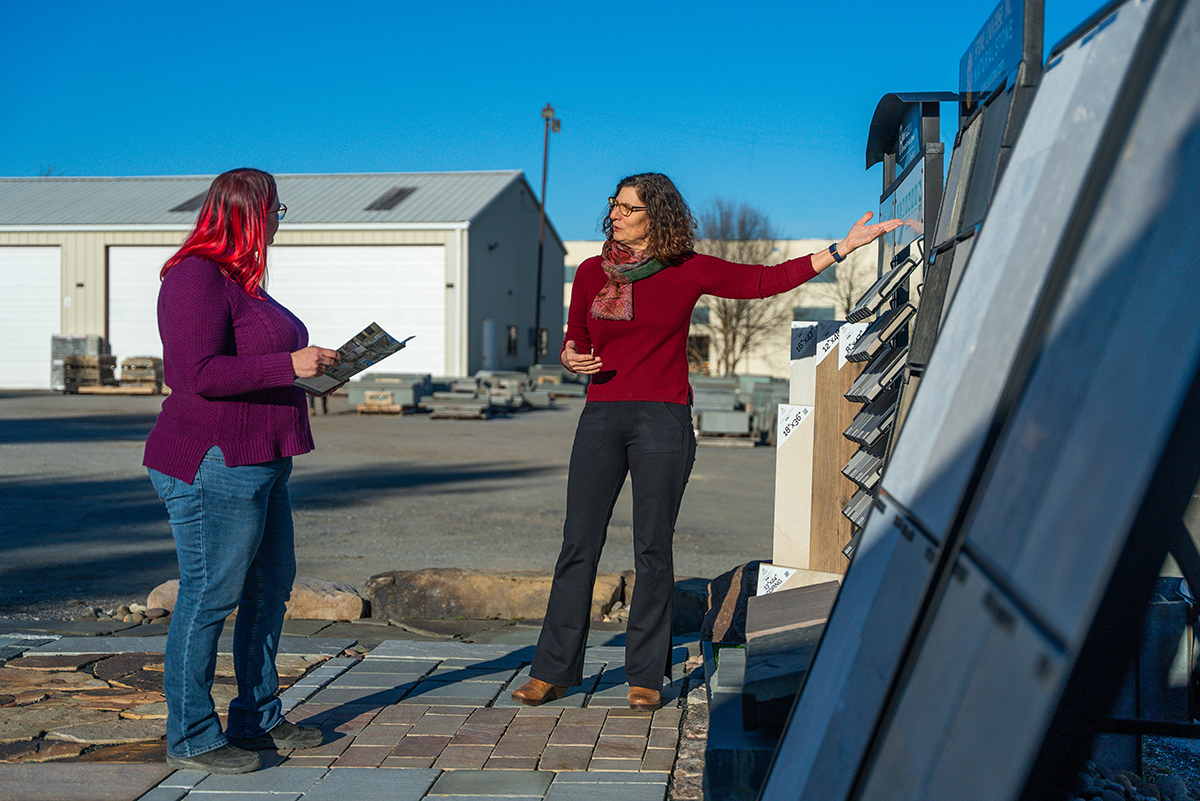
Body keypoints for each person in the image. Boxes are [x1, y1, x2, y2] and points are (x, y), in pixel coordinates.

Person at [512, 172, 902, 711]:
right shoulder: (590, 274)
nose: (616, 214)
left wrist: (840, 249)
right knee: (578, 542)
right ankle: (553, 670)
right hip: (601, 416)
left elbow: (765, 281)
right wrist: (571, 355)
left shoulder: (687, 269)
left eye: (628, 208)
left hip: (663, 419)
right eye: (615, 205)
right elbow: (575, 336)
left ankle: (645, 675)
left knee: (652, 547)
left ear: (657, 216)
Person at [143, 168, 340, 774]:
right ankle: (192, 734)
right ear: (248, 212)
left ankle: (257, 717)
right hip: (212, 461)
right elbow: (196, 373)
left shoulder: (244, 282)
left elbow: (261, 361)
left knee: (270, 589)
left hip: (262, 459)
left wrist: (320, 369)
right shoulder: (195, 275)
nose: (281, 220)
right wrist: (289, 364)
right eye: (277, 210)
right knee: (210, 595)